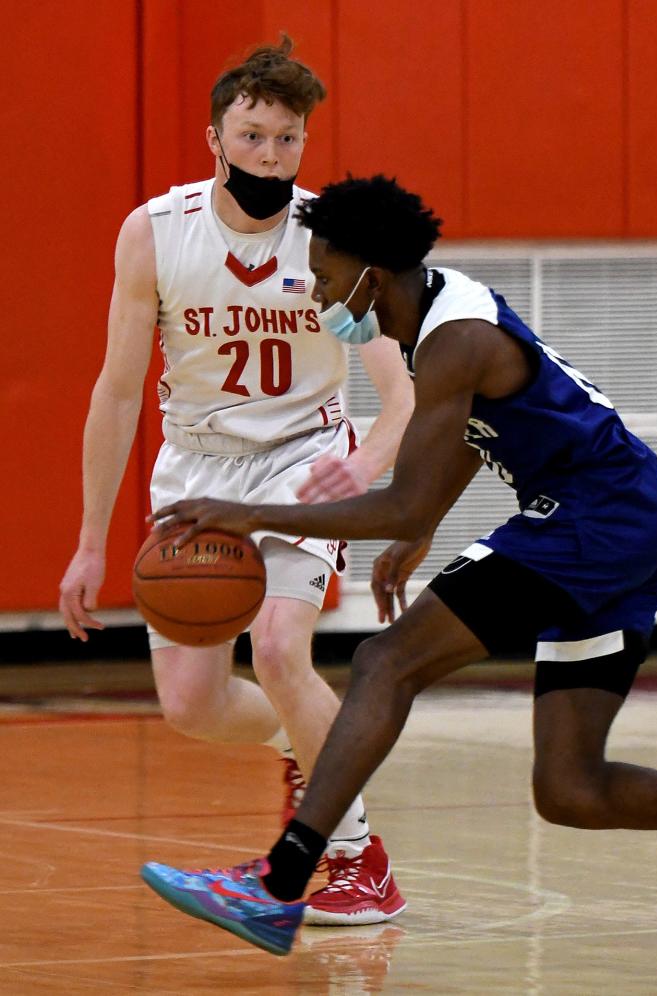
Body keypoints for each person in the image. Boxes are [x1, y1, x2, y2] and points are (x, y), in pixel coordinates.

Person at [139, 175, 657, 956]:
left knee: (385, 660)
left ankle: (279, 883)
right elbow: (463, 439)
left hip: (595, 520)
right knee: (570, 789)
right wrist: (417, 533)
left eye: (324, 274)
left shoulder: (453, 338)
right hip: (624, 525)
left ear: (370, 276)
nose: (318, 290)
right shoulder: (436, 315)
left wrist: (255, 515)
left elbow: (401, 503)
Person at [58, 45, 413, 926]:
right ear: (214, 134)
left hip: (301, 454)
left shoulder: (333, 238)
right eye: (251, 135)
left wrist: (364, 466)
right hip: (198, 465)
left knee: (282, 649)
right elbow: (115, 391)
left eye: (286, 140)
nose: (267, 154)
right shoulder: (155, 232)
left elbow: (401, 389)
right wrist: (91, 542)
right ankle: (311, 742)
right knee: (191, 705)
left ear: (302, 144)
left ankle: (359, 860)